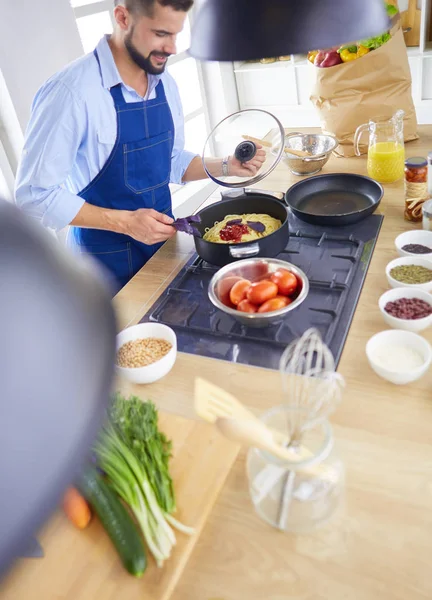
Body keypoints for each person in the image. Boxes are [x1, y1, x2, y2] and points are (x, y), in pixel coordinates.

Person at [15, 0, 265, 294]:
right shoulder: (71, 92)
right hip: (101, 267)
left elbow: (169, 161)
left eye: (176, 34)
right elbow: (33, 195)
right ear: (122, 17)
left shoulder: (164, 81)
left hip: (162, 250)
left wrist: (226, 166)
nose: (172, 48)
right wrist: (124, 223)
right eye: (161, 34)